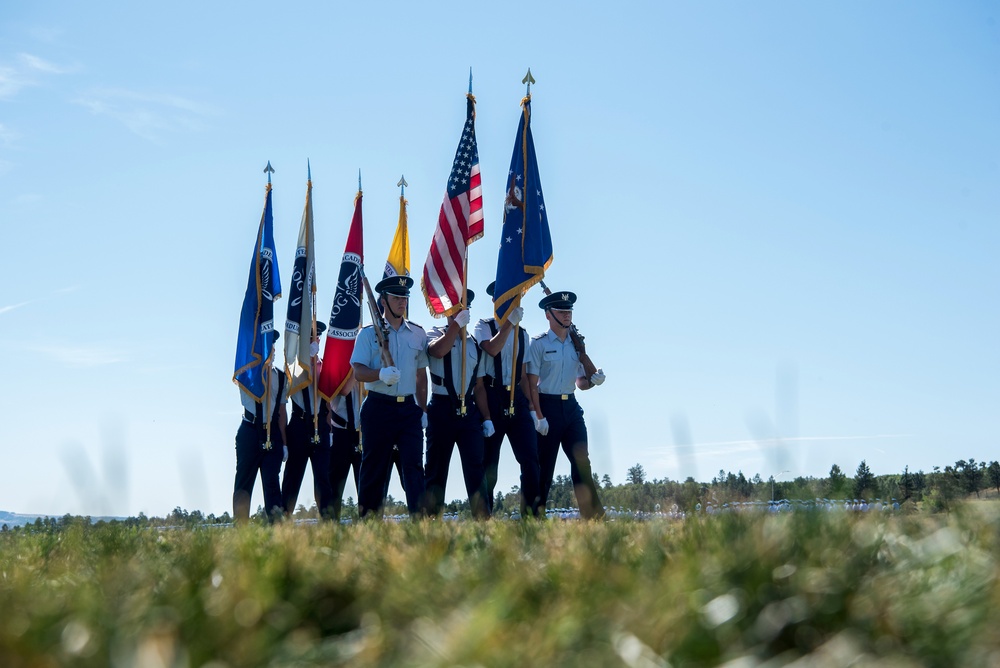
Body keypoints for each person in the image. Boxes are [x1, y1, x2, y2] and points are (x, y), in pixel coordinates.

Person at [350, 275, 429, 518]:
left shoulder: (417, 333)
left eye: (404, 297)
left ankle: (421, 523)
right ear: (382, 300)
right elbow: (358, 372)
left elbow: (420, 375)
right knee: (374, 468)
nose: (402, 301)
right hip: (378, 407)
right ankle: (369, 523)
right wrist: (380, 374)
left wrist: (423, 410)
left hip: (408, 409)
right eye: (396, 297)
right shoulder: (367, 334)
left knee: (414, 467)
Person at [526, 291, 607, 519]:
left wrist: (594, 379)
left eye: (569, 311)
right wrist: (538, 415)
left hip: (571, 408)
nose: (567, 315)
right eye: (562, 311)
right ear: (548, 315)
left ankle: (593, 515)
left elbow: (581, 383)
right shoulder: (538, 344)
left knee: (582, 461)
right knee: (544, 466)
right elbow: (531, 383)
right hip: (547, 407)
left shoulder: (576, 345)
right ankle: (534, 516)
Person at [473, 281, 542, 517]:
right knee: (489, 464)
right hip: (492, 396)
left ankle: (531, 516)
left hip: (517, 399)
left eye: (516, 298)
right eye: (508, 299)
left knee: (531, 458)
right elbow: (492, 349)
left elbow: (523, 376)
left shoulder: (523, 334)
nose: (513, 303)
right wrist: (509, 325)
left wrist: (532, 409)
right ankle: (484, 518)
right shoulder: (484, 326)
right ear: (496, 301)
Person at [424, 289, 491, 519]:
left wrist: (488, 418)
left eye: (465, 309)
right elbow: (438, 351)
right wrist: (455, 326)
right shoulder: (436, 333)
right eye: (456, 309)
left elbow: (479, 386)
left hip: (469, 411)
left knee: (476, 469)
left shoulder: (473, 344)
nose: (462, 313)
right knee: (436, 469)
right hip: (442, 407)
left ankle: (483, 520)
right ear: (447, 312)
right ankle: (431, 522)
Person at [280, 322, 336, 519]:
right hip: (299, 424)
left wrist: (328, 430)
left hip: (320, 424)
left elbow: (328, 399)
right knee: (292, 478)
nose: (313, 342)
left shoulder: (325, 365)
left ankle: (328, 522)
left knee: (324, 479)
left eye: (315, 339)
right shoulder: (294, 366)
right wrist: (308, 361)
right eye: (309, 340)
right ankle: (283, 521)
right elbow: (297, 385)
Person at [234, 332, 288, 523]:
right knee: (243, 486)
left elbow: (282, 412)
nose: (271, 349)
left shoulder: (281, 378)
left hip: (272, 432)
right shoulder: (246, 372)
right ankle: (241, 535)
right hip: (250, 430)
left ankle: (278, 533)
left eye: (272, 345)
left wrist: (284, 443)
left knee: (272, 485)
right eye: (267, 344)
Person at [328, 376, 362, 521]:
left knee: (365, 484)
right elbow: (342, 390)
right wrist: (354, 371)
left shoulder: (366, 365)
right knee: (335, 485)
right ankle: (332, 527)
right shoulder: (335, 369)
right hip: (340, 432)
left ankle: (368, 526)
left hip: (362, 432)